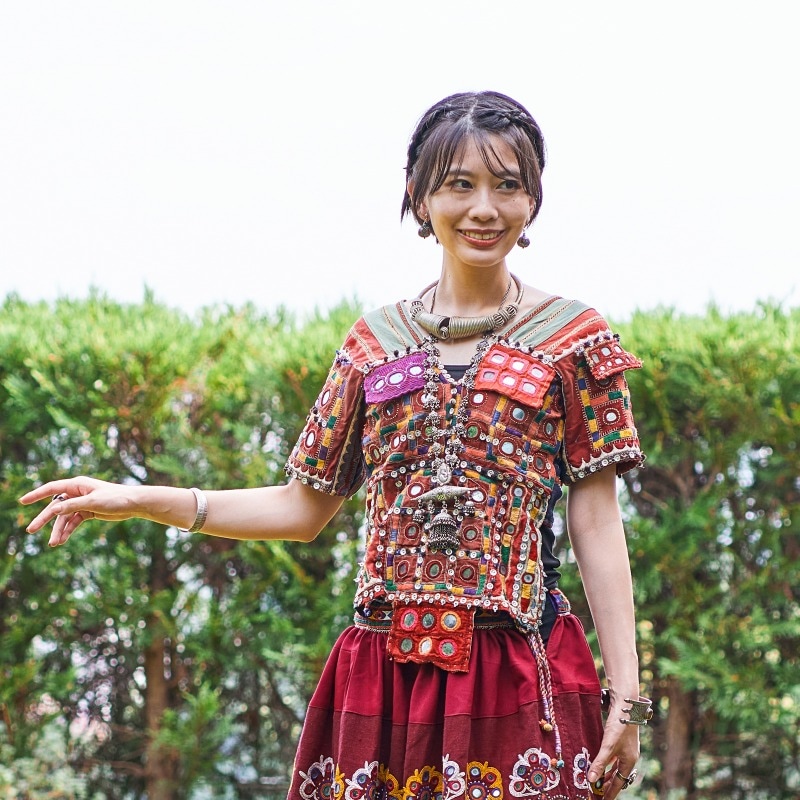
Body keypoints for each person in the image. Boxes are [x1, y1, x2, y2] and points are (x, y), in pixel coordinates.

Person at [21, 90, 651, 800]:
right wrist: (138, 500)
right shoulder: (373, 344)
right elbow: (303, 508)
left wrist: (628, 697)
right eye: (459, 184)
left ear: (533, 199)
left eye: (508, 185)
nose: (485, 208)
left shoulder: (572, 339)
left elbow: (596, 520)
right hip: (382, 677)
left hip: (519, 672)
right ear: (419, 196)